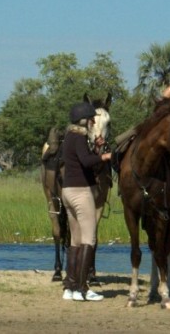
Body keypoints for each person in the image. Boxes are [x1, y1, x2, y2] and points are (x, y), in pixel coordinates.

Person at [61, 101, 112, 302]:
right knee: (89, 240)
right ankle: (83, 288)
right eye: (91, 118)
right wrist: (105, 156)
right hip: (81, 192)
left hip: (67, 191)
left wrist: (96, 149)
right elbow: (86, 161)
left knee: (75, 240)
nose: (93, 121)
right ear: (84, 120)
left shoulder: (69, 137)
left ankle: (70, 288)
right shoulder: (81, 136)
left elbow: (80, 159)